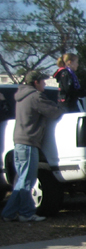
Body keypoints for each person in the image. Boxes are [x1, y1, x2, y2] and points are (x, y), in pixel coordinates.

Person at [1, 71, 63, 222]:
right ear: (35, 82)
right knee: (27, 180)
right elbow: (54, 112)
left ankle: (9, 213)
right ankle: (26, 213)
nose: (45, 84)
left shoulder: (21, 97)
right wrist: (63, 107)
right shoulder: (36, 97)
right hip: (29, 143)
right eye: (43, 81)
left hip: (20, 142)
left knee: (22, 179)